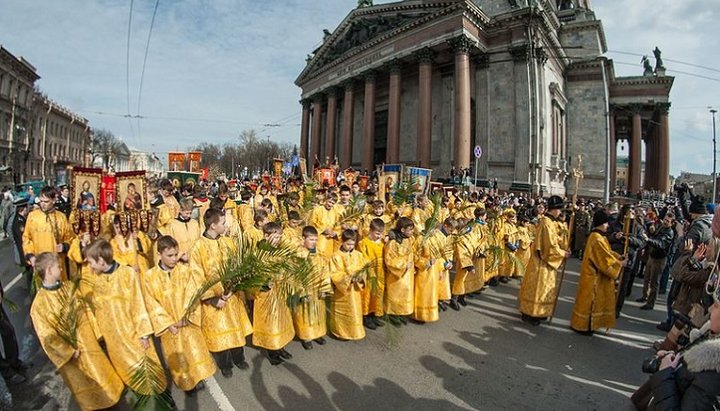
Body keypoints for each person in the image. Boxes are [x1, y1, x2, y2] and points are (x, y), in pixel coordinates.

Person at [30, 252, 124, 409]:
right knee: (88, 395)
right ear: (49, 270)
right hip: (73, 357)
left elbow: (86, 309)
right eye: (58, 266)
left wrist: (98, 334)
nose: (61, 269)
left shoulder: (68, 287)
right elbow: (47, 336)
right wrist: (68, 351)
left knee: (105, 382)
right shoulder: (39, 305)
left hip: (89, 345)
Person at [84, 239, 168, 394]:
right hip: (114, 340)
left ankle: (163, 402)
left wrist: (144, 334)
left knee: (147, 372)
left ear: (101, 260)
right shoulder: (97, 279)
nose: (90, 266)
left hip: (133, 336)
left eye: (91, 262)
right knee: (130, 375)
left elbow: (139, 304)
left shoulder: (127, 274)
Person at [142, 236, 216, 396]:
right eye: (170, 255)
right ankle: (186, 385)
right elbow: (151, 303)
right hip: (170, 329)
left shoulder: (184, 271)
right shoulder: (149, 276)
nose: (174, 258)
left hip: (187, 322)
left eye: (176, 254)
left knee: (194, 352)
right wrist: (169, 324)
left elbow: (194, 293)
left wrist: (186, 316)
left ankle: (196, 378)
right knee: (178, 357)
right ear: (160, 254)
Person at [189, 208, 253, 378]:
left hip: (232, 296)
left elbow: (237, 265)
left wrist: (239, 282)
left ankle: (239, 358)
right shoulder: (197, 247)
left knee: (236, 329)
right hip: (214, 301)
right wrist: (212, 299)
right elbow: (197, 277)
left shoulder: (227, 242)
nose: (226, 226)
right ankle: (225, 364)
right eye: (223, 223)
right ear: (213, 225)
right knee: (220, 334)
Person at [569, 209, 625, 335]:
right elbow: (604, 261)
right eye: (606, 223)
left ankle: (584, 324)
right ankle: (584, 326)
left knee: (587, 301)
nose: (608, 225)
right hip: (593, 278)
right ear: (601, 223)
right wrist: (619, 264)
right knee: (590, 303)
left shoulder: (599, 237)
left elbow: (608, 253)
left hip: (591, 276)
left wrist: (618, 257)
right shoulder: (597, 238)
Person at [518, 195, 570, 326]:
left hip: (544, 262)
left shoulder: (552, 222)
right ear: (554, 209)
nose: (560, 212)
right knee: (538, 288)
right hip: (542, 262)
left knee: (542, 288)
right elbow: (549, 246)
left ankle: (539, 312)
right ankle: (531, 313)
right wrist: (562, 253)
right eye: (559, 209)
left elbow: (555, 240)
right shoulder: (547, 222)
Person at [23, 186, 74, 280]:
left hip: (57, 265)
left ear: (54, 200)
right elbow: (26, 238)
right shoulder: (33, 217)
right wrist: (30, 255)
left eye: (46, 202)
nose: (43, 204)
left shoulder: (61, 218)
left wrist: (64, 246)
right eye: (41, 201)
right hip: (39, 263)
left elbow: (69, 237)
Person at [293, 226, 329, 350]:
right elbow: (295, 277)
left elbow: (325, 271)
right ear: (303, 238)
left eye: (315, 240)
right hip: (306, 291)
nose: (314, 242)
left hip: (317, 289)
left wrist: (324, 288)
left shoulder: (319, 254)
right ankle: (306, 336)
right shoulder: (298, 255)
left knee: (318, 312)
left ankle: (317, 334)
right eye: (311, 239)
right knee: (304, 314)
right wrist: (302, 293)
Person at [329, 229, 367, 340]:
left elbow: (364, 268)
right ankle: (340, 332)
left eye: (352, 244)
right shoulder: (335, 256)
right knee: (342, 312)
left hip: (355, 291)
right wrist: (348, 279)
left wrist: (361, 276)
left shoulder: (358, 255)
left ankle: (354, 332)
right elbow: (335, 273)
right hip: (342, 291)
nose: (350, 246)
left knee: (355, 311)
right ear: (342, 241)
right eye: (348, 244)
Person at [638, 212, 676, 310]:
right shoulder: (661, 227)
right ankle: (644, 296)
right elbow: (655, 236)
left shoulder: (669, 232)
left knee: (654, 282)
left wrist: (648, 240)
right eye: (665, 219)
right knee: (647, 278)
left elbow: (660, 243)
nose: (665, 222)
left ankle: (650, 303)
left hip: (659, 258)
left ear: (672, 223)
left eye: (668, 221)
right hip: (652, 255)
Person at [384, 217, 416, 325]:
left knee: (405, 293)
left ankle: (402, 312)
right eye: (410, 230)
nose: (412, 232)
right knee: (396, 294)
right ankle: (393, 314)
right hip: (397, 275)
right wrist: (403, 264)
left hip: (408, 273)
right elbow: (389, 259)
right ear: (402, 230)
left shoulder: (409, 239)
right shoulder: (393, 243)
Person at [357, 218, 386, 328]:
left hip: (380, 271)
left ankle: (375, 314)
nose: (379, 236)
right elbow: (363, 259)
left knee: (378, 293)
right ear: (370, 230)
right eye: (377, 233)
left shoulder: (382, 243)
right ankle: (366, 315)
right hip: (369, 273)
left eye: (381, 234)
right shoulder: (363, 243)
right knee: (367, 294)